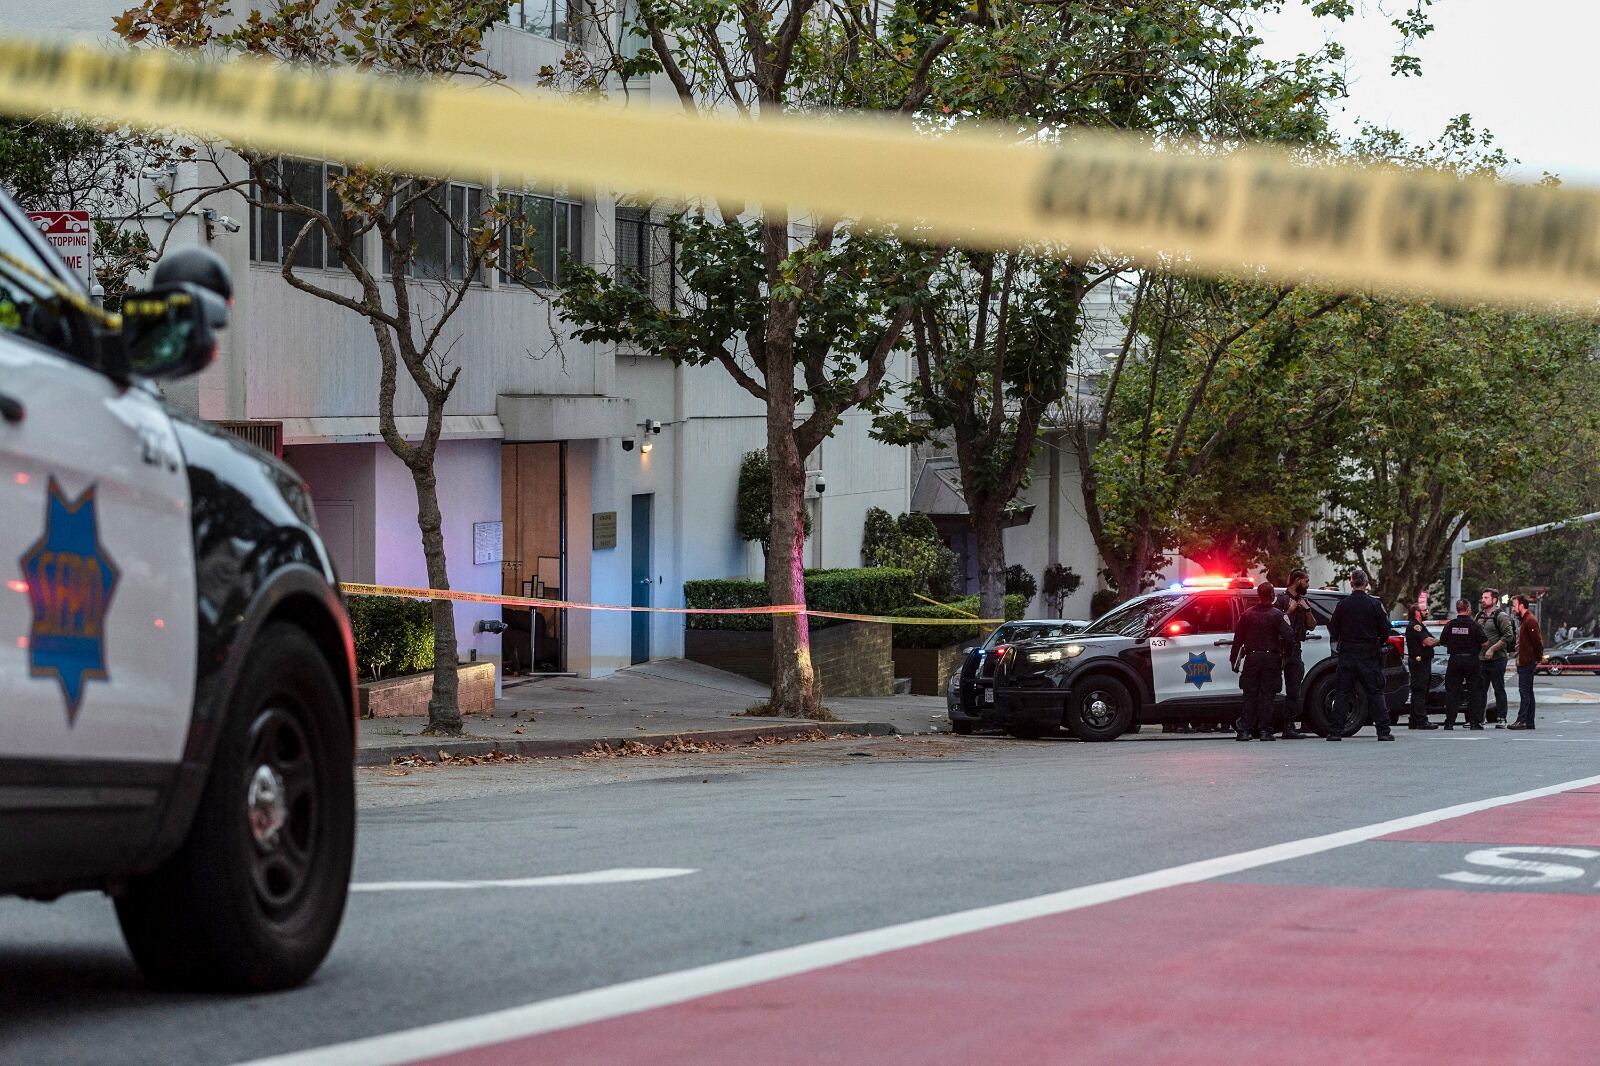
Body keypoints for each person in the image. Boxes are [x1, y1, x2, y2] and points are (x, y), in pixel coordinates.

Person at [1326, 569, 1395, 742]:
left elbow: (1333, 629)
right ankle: (1383, 731)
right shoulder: (1374, 604)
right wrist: (1377, 643)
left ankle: (1335, 731)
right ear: (1366, 583)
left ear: (1351, 583)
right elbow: (1385, 630)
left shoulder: (1342, 605)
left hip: (1348, 653)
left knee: (1343, 692)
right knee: (1375, 692)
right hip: (1368, 654)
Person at [1232, 580, 1294, 742]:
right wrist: (1285, 656)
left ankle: (1244, 730)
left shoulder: (1247, 615)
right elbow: (1289, 636)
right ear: (1272, 595)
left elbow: (1237, 639)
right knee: (1267, 695)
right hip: (1271, 659)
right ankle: (1265, 731)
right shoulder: (1278, 615)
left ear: (1258, 595)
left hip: (1251, 658)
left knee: (1249, 694)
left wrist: (1234, 660)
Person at [1272, 568, 1314, 739]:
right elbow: (1272, 621)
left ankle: (1289, 726)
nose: (1308, 584)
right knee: (1272, 687)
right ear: (1297, 581)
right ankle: (1266, 725)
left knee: (1294, 689)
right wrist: (1288, 611)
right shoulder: (1281, 599)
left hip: (1295, 649)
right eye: (1306, 581)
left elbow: (1312, 625)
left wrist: (1307, 610)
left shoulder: (1304, 601)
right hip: (1279, 649)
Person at [1440, 599, 1488, 730]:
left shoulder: (1450, 625)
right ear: (1468, 609)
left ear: (1457, 609)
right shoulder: (1474, 625)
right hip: (1471, 660)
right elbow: (1484, 642)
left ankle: (1449, 722)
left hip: (1455, 660)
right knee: (1475, 691)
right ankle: (1474, 722)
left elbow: (1442, 641)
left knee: (1452, 691)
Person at [1473, 589, 1516, 727]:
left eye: (1486, 597)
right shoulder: (1479, 616)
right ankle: (1479, 718)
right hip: (1481, 659)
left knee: (1498, 688)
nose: (1483, 600)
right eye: (1483, 597)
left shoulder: (1501, 616)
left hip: (1497, 659)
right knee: (1481, 690)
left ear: (1494, 600)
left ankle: (1501, 718)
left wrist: (1492, 649)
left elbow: (1508, 636)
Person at [1403, 603, 1440, 729]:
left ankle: (1414, 719)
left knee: (1418, 691)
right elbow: (1428, 641)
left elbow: (1430, 640)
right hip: (1419, 662)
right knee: (1419, 690)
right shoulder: (1415, 626)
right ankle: (1421, 720)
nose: (1427, 612)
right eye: (1424, 610)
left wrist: (1434, 641)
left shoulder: (1420, 626)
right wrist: (1441, 640)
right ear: (1417, 612)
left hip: (1422, 662)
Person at [1510, 595, 1543, 730]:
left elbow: (1537, 641)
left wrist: (1538, 658)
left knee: (1524, 692)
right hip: (1524, 661)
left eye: (1514, 605)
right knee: (1528, 691)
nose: (1513, 609)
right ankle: (1529, 721)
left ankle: (1522, 720)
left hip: (1527, 662)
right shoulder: (1524, 620)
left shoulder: (1529, 620)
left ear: (1521, 606)